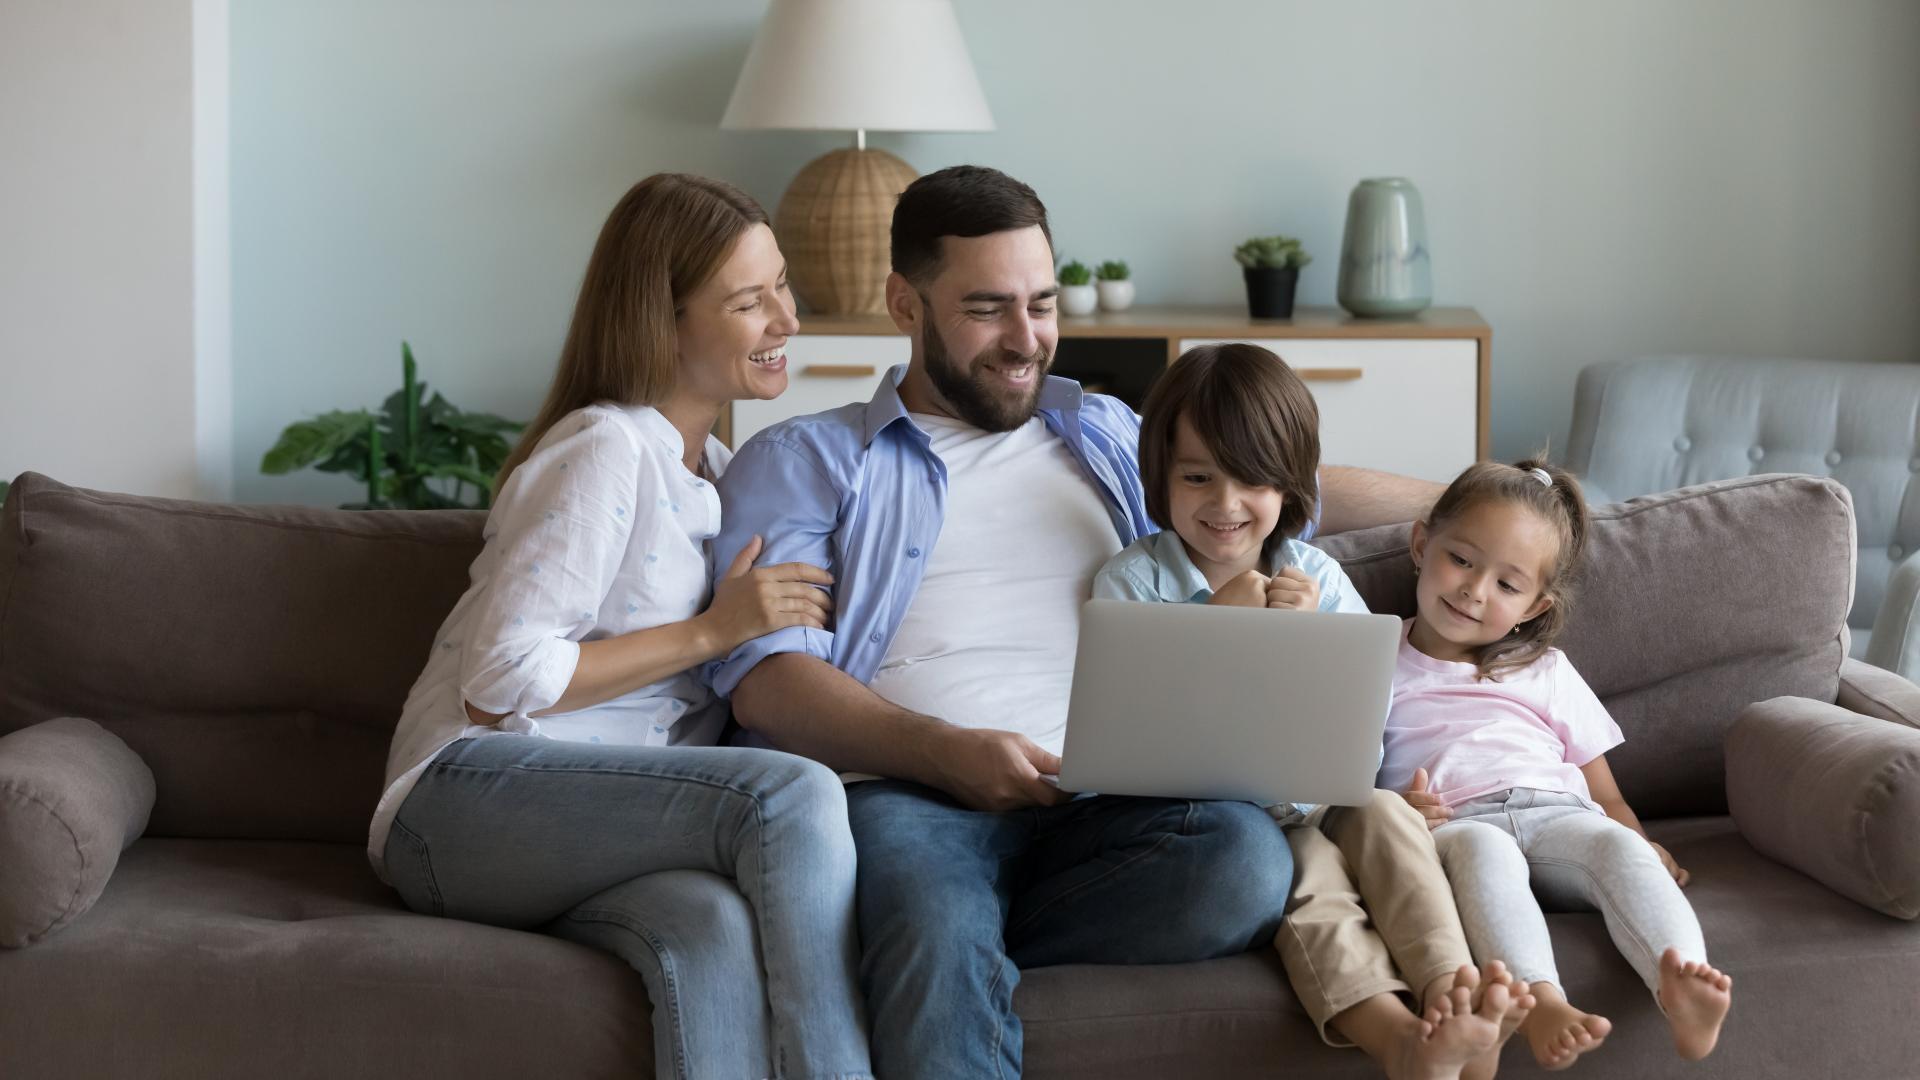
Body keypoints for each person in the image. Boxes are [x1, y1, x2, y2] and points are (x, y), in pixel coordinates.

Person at [367, 173, 872, 1080]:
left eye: (783, 286)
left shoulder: (722, 471)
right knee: (788, 798)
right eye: (751, 302)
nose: (788, 320)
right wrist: (714, 632)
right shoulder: (605, 449)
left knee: (710, 926)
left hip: (588, 824)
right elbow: (500, 682)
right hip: (462, 801)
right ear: (666, 322)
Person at [1093, 342, 1532, 1080]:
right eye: (1197, 477)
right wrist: (1219, 631)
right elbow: (1131, 734)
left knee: (1390, 821)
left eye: (1252, 481)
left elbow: (1367, 694)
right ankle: (1399, 1040)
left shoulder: (1315, 573)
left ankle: (1453, 999)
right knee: (1315, 883)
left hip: (1331, 792)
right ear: (1159, 481)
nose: (1225, 505)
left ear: (1289, 484)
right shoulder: (1131, 583)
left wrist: (1311, 637)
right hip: (1236, 817)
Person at [1382, 459, 1735, 1070]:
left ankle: (1681, 982)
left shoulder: (1544, 669)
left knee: (1617, 850)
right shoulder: (1373, 658)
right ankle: (1541, 1001)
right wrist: (1396, 808)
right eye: (1461, 560)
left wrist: (1640, 840)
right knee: (1484, 857)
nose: (1475, 590)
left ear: (1534, 606)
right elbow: (1342, 780)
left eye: (1507, 584)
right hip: (1459, 827)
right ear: (1421, 544)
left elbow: (1607, 794)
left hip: (1557, 814)